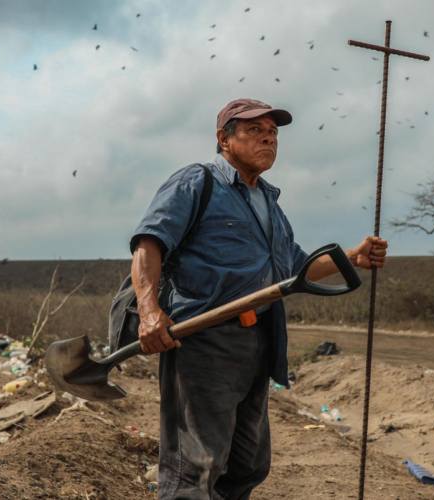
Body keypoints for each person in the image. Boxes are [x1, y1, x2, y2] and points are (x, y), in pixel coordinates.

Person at [130, 98, 387, 499]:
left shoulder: (269, 201)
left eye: (273, 132)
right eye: (254, 130)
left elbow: (295, 268)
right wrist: (149, 311)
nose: (268, 137)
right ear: (224, 139)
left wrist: (354, 258)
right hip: (205, 341)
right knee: (195, 468)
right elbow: (149, 245)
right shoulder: (197, 183)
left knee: (247, 464)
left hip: (258, 344)